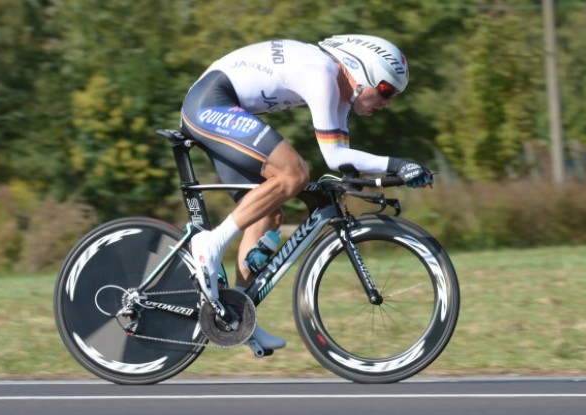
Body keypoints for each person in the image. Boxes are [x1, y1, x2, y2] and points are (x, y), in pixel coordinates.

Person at [180, 34, 433, 353]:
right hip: (210, 101)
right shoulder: (323, 74)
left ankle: (239, 316)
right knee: (294, 172)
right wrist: (399, 164)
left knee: (268, 213)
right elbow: (334, 158)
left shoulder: (341, 93)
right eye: (385, 90)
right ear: (362, 71)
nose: (387, 102)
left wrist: (389, 175)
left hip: (221, 107)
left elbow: (345, 160)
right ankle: (211, 243)